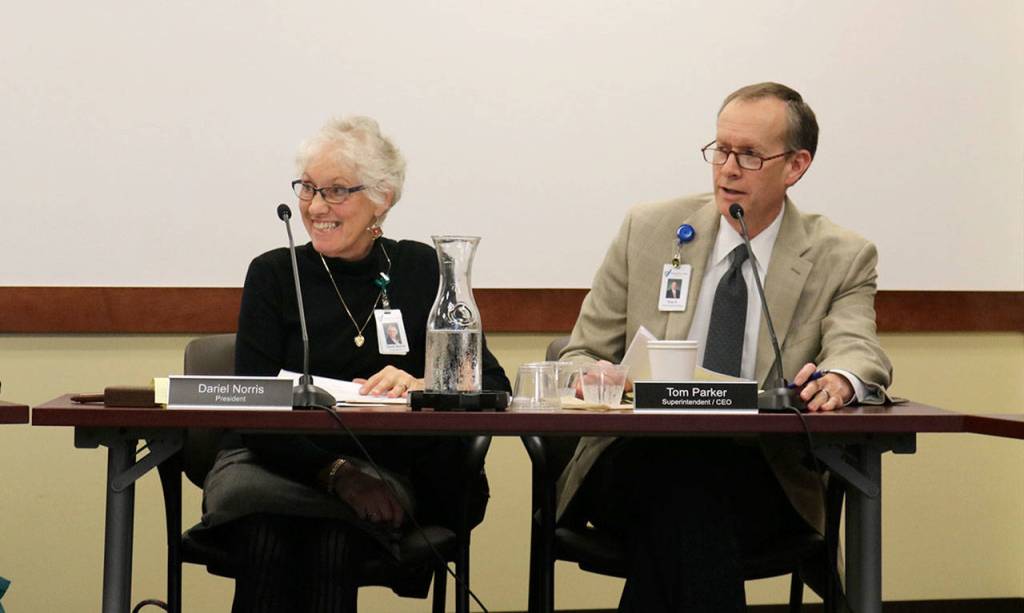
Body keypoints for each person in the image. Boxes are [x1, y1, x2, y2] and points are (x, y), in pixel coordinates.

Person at [556, 82, 892, 612]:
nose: (727, 169)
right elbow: (578, 354)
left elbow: (858, 349)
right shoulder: (649, 230)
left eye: (750, 155)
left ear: (796, 165)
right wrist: (595, 377)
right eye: (720, 150)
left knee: (686, 508)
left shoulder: (841, 256)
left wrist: (840, 379)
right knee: (683, 485)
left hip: (761, 474)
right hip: (634, 462)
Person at [196, 116, 511, 612]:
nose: (316, 207)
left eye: (336, 191)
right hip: (272, 464)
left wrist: (422, 383)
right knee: (267, 531)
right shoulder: (275, 274)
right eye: (308, 189)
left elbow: (492, 383)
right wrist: (339, 476)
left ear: (382, 198)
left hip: (382, 467)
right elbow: (252, 407)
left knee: (332, 539)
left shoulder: (421, 270)